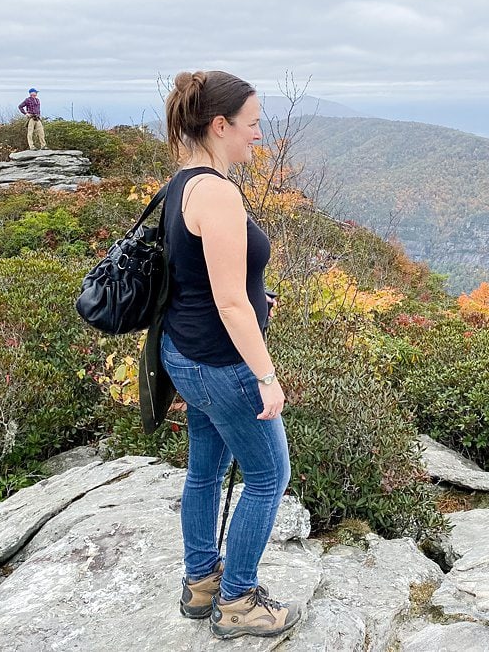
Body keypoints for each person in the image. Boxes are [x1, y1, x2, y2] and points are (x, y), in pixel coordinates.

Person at [160, 70, 301, 641]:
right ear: (220, 125)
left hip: (184, 354)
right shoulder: (218, 193)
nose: (259, 135)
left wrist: (252, 290)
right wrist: (266, 377)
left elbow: (196, 276)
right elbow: (227, 300)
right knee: (269, 475)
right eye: (253, 124)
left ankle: (201, 583)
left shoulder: (183, 182)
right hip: (222, 365)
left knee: (206, 471)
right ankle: (238, 601)